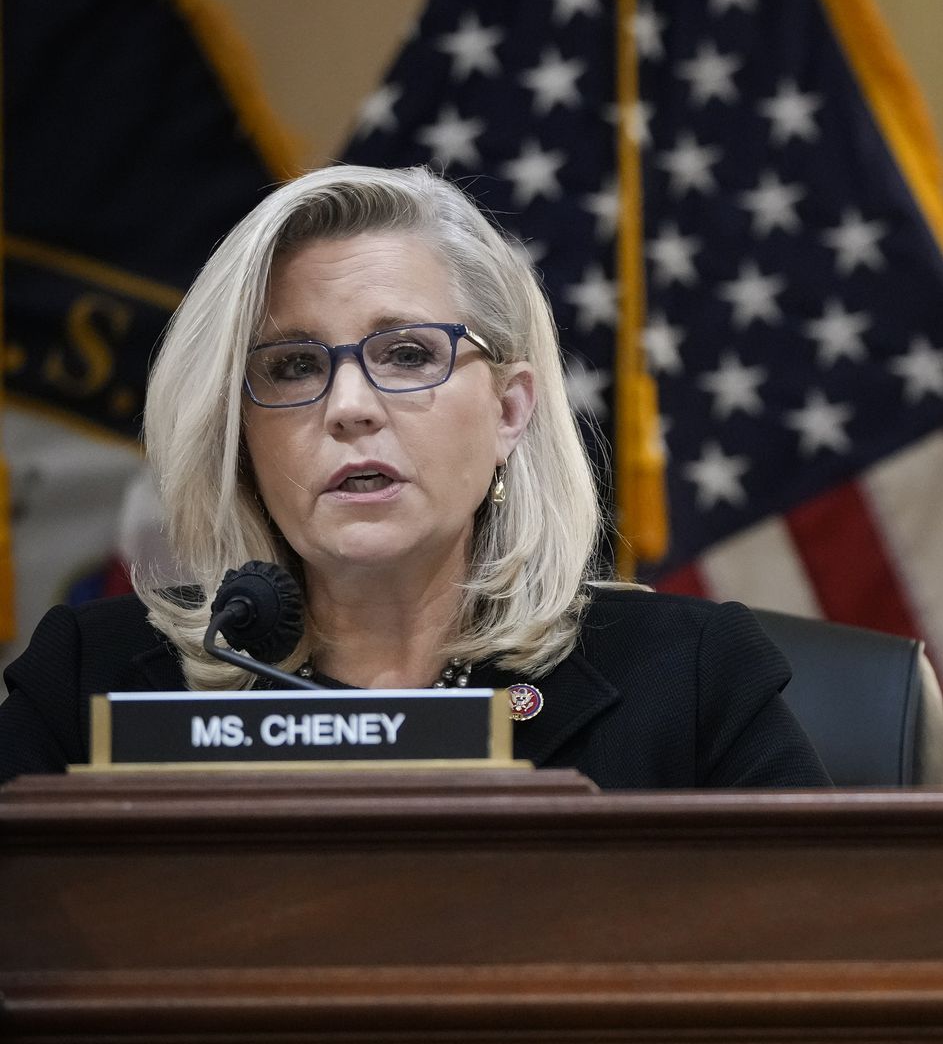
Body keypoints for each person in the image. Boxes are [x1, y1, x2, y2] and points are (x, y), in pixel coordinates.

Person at [0, 164, 829, 789]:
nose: (350, 407)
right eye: (292, 366)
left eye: (407, 355)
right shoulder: (90, 684)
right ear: (239, 433)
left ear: (509, 412)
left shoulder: (688, 683)